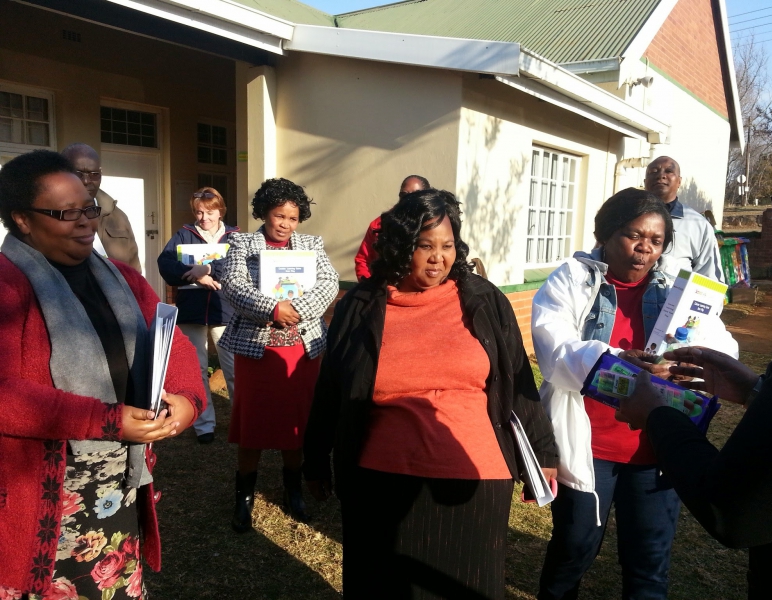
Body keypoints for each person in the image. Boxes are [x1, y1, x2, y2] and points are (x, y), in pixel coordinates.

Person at [304, 189, 558, 599]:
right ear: (400, 245)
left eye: (448, 246)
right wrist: (315, 459)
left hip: (475, 482)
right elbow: (331, 387)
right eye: (425, 246)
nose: (438, 258)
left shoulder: (484, 299)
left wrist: (543, 453)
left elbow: (517, 378)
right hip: (381, 480)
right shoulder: (361, 305)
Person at [0, 150, 205, 599]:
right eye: (66, 213)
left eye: (89, 209)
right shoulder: (8, 288)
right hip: (42, 494)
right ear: (22, 220)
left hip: (119, 480)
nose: (86, 223)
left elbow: (173, 343)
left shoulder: (122, 279)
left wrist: (188, 399)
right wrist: (106, 420)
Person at [616, 129, 772, 599]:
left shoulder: (697, 226)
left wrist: (659, 415)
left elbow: (736, 511)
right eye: (633, 235)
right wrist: (757, 391)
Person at [531, 188, 737, 600]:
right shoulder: (573, 279)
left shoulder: (678, 291)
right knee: (573, 549)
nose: (645, 249)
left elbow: (723, 349)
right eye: (633, 235)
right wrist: (615, 361)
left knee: (649, 564)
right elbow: (554, 349)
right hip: (591, 447)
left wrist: (687, 363)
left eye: (656, 240)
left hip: (657, 448)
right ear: (607, 233)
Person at [219, 178, 338, 529]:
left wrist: (296, 309)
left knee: (297, 421)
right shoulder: (242, 243)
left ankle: (293, 491)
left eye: (293, 218)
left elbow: (329, 282)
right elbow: (233, 285)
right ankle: (243, 497)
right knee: (252, 422)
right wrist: (272, 308)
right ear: (264, 212)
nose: (285, 224)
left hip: (301, 350)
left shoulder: (311, 244)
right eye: (279, 215)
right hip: (258, 351)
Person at [157, 187, 239, 444]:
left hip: (225, 310)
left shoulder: (235, 236)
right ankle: (205, 426)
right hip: (192, 311)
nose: (205, 218)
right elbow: (165, 264)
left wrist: (208, 269)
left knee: (233, 368)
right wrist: (196, 276)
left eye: (210, 212)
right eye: (199, 212)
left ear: (220, 211)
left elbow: (239, 265)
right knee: (198, 369)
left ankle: (242, 421)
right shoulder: (184, 234)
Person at [62, 143, 142, 272]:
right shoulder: (51, 216)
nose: (86, 181)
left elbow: (134, 269)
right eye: (78, 174)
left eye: (94, 174)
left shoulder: (118, 217)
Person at [643, 156, 724, 283]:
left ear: (679, 181)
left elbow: (709, 278)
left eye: (669, 171)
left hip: (676, 294)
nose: (661, 176)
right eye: (653, 171)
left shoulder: (698, 224)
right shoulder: (626, 216)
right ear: (645, 181)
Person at [353, 174, 430, 281]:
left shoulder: (434, 225)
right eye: (404, 194)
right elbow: (363, 260)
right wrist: (368, 286)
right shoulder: (379, 225)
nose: (408, 199)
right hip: (384, 287)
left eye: (414, 195)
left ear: (426, 197)